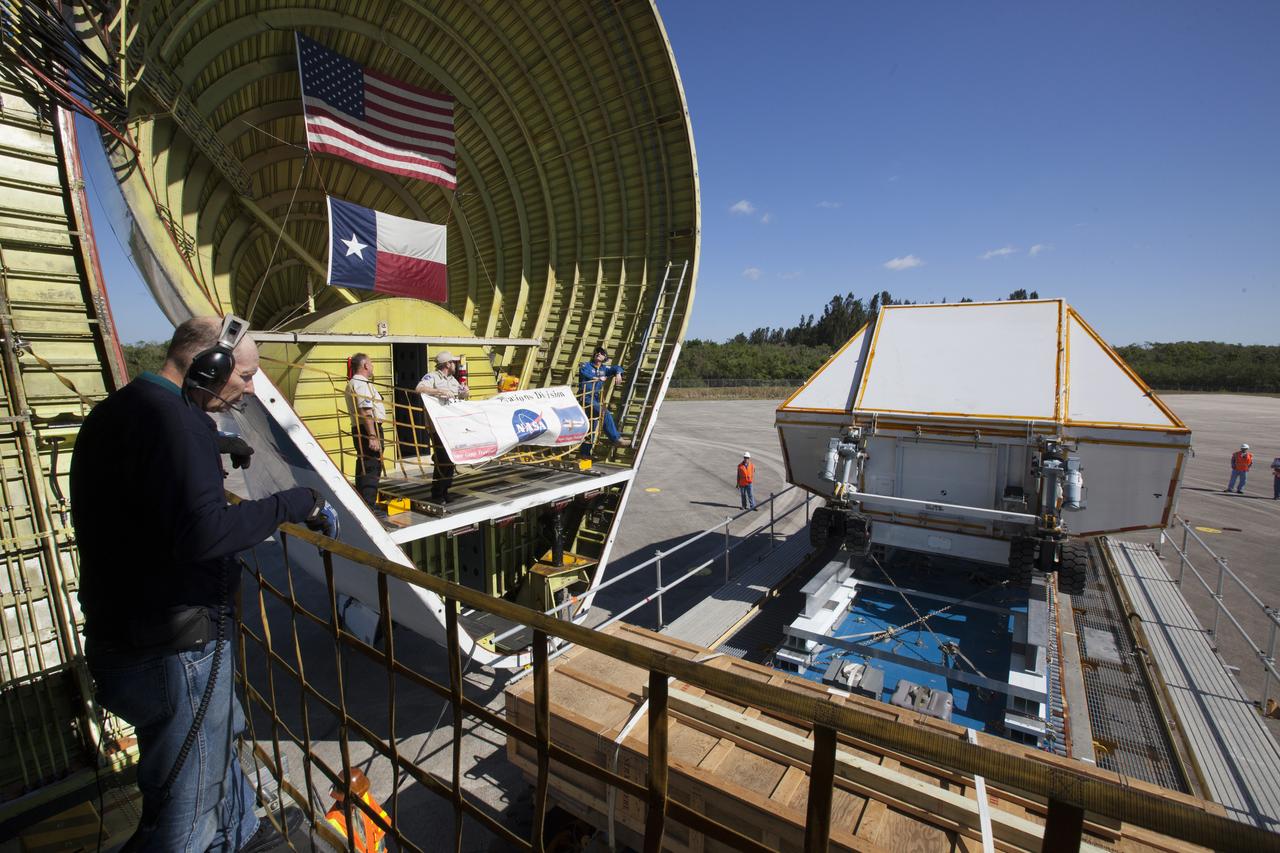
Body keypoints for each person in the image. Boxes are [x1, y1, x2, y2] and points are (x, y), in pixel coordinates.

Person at [71, 316, 336, 852]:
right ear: (207, 365)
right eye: (243, 375)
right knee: (186, 818)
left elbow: (146, 494)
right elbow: (206, 532)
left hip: (124, 639)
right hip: (177, 650)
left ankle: (246, 835)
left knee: (211, 754)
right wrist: (297, 501)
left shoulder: (118, 412)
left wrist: (213, 445)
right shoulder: (179, 427)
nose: (248, 388)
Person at [415, 351, 469, 504]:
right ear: (447, 364)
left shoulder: (453, 380)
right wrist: (438, 391)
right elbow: (419, 389)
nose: (455, 365)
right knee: (442, 458)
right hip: (437, 426)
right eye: (453, 362)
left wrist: (464, 392)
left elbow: (460, 396)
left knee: (451, 458)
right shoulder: (432, 377)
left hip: (452, 426)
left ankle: (445, 490)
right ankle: (437, 493)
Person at [346, 353, 387, 510]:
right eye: (371, 363)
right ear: (365, 366)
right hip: (368, 428)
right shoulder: (361, 383)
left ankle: (363, 503)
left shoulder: (355, 383)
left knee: (364, 464)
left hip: (361, 428)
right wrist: (372, 435)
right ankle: (369, 506)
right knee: (371, 466)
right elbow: (365, 410)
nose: (372, 366)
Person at [578, 345, 630, 457]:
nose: (598, 353)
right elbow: (584, 373)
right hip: (585, 398)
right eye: (597, 352)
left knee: (591, 427)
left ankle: (584, 454)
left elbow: (617, 367)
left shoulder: (604, 369)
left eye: (601, 353)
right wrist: (596, 378)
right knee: (604, 412)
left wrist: (618, 373)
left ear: (605, 357)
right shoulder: (586, 365)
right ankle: (616, 439)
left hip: (595, 399)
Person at [324, 768, 390, 852]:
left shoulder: (363, 796)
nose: (361, 799)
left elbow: (379, 828)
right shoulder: (333, 823)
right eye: (356, 799)